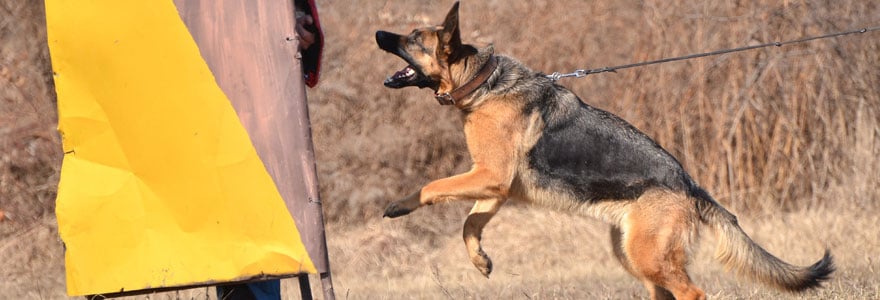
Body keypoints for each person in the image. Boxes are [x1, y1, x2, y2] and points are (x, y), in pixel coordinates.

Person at [215, 1, 323, 299]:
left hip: (258, 90)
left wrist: (296, 22)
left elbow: (296, 15)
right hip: (192, 77)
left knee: (251, 221)